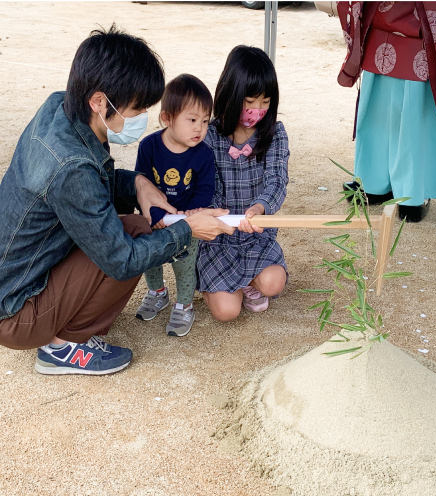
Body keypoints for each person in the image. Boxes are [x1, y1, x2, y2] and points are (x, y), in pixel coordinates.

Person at [0, 25, 233, 376]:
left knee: (134, 225)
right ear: (99, 101)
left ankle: (63, 328)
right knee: (134, 238)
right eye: (137, 108)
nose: (141, 119)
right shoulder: (71, 167)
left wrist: (138, 182)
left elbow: (95, 185)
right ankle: (64, 348)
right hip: (14, 313)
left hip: (15, 279)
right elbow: (122, 260)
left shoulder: (61, 108)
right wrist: (186, 229)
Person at [337, 1, 436, 222]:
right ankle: (410, 195)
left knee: (381, 111)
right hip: (426, 28)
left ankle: (373, 184)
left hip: (389, 24)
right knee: (415, 119)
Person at [197, 45, 289, 322]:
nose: (257, 110)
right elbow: (206, 186)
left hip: (255, 233)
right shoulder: (209, 135)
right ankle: (209, 282)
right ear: (231, 94)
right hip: (217, 235)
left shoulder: (274, 135)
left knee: (274, 283)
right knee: (227, 312)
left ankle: (247, 281)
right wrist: (221, 217)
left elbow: (277, 180)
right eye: (250, 101)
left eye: (265, 102)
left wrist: (259, 209)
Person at [134, 74, 215, 337]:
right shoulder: (149, 146)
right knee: (151, 261)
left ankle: (184, 304)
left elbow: (205, 189)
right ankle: (157, 293)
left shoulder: (204, 153)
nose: (199, 129)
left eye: (205, 121)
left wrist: (194, 212)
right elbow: (142, 184)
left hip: (186, 223)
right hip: (154, 220)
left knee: (184, 265)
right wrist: (155, 214)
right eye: (191, 120)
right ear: (167, 118)